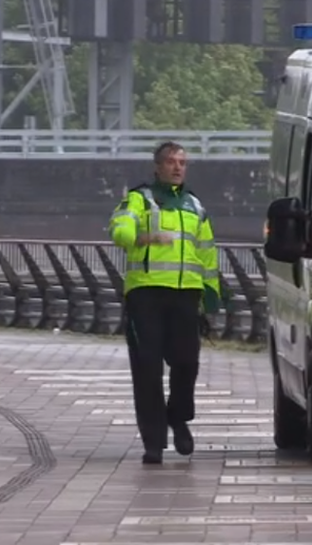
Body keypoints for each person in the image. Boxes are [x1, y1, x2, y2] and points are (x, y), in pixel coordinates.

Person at [107, 141, 222, 464]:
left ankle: (178, 416)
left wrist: (211, 296)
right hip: (146, 294)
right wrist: (140, 237)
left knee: (187, 363)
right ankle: (153, 442)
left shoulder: (195, 206)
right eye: (170, 162)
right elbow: (119, 229)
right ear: (157, 166)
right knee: (147, 368)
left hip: (186, 294)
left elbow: (207, 253)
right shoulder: (140, 199)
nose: (177, 167)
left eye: (182, 162)